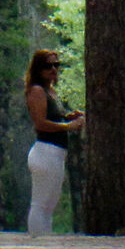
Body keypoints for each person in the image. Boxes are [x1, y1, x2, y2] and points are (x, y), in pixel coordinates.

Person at [24, 48, 82, 234]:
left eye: (56, 65)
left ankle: (44, 242)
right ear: (38, 68)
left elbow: (55, 117)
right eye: (48, 66)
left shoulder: (51, 92)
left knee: (49, 206)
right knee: (40, 204)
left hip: (56, 153)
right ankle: (37, 242)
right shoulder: (36, 90)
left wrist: (69, 117)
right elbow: (40, 123)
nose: (53, 70)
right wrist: (68, 127)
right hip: (45, 151)